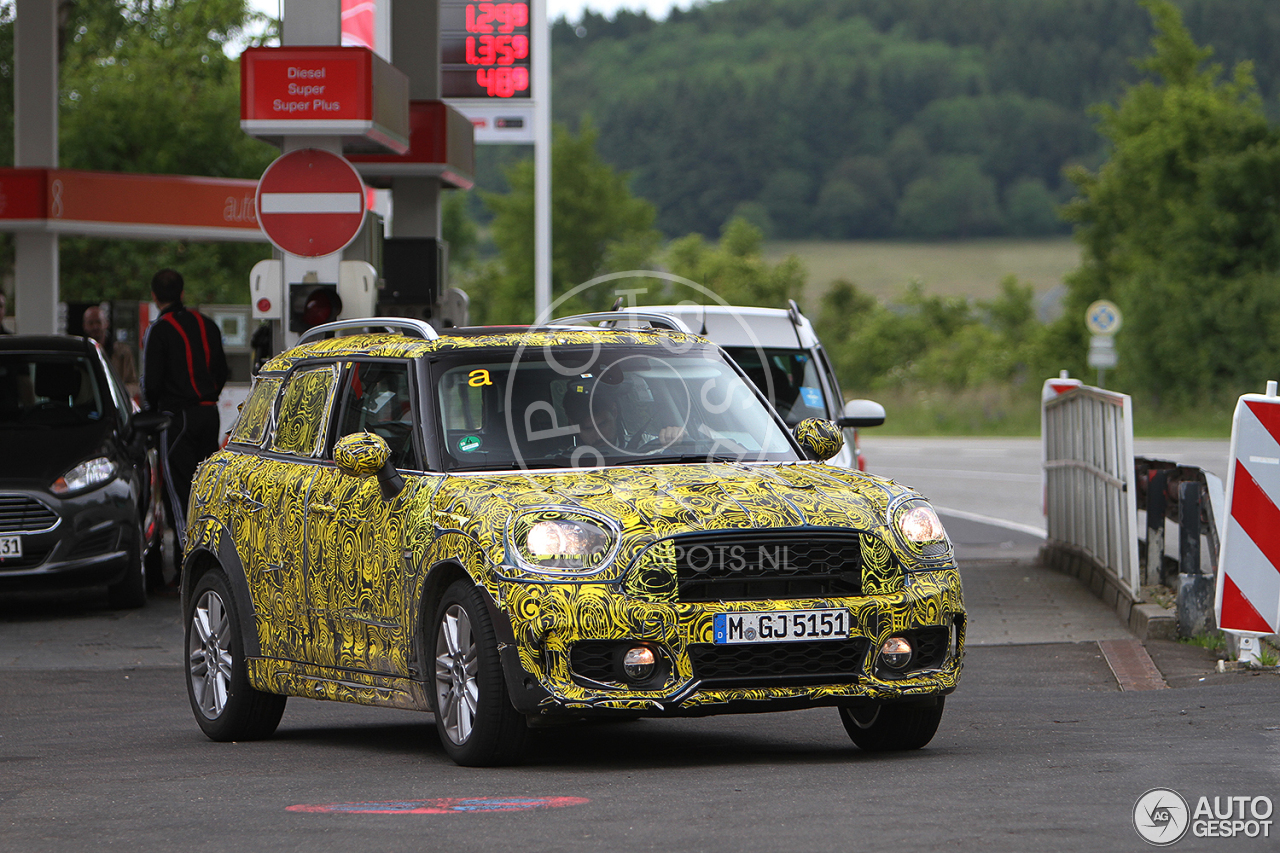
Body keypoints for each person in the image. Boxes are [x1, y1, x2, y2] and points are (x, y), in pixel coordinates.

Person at [142, 269, 228, 583]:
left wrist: (155, 412)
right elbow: (222, 370)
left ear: (154, 295)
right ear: (182, 291)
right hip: (209, 413)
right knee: (206, 490)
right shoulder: (208, 325)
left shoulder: (159, 329)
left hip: (176, 419)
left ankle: (186, 566)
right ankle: (210, 558)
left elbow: (150, 384)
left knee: (180, 494)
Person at [82, 305, 140, 401]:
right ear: (84, 326)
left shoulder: (122, 353)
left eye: (98, 322)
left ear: (106, 324)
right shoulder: (80, 353)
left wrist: (120, 392)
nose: (95, 327)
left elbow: (134, 384)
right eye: (91, 323)